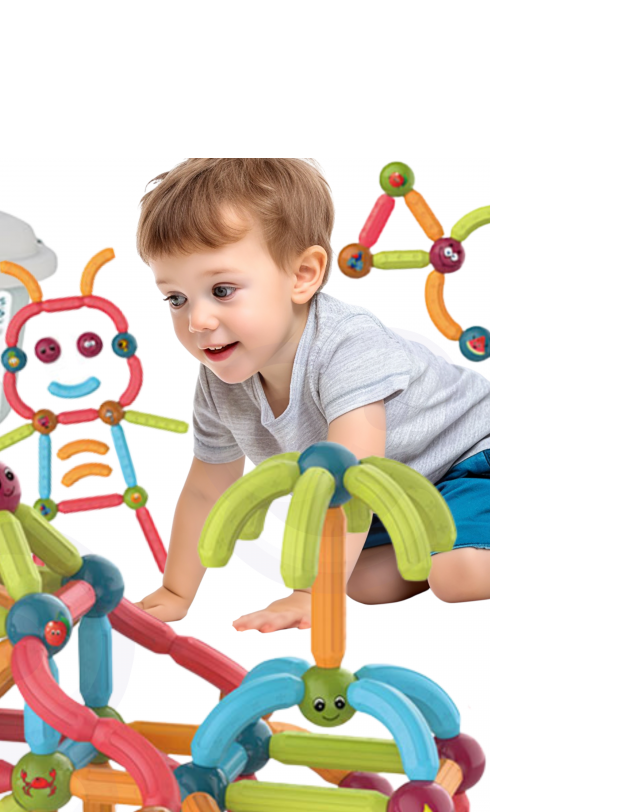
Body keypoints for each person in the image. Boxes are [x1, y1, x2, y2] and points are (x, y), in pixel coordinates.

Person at [135, 158, 489, 632]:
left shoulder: (347, 346)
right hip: (405, 494)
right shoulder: (221, 380)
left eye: (221, 290)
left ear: (303, 275)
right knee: (365, 582)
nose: (197, 320)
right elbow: (206, 488)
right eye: (176, 298)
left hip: (473, 457)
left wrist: (311, 593)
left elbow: (353, 475)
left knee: (458, 576)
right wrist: (176, 591)